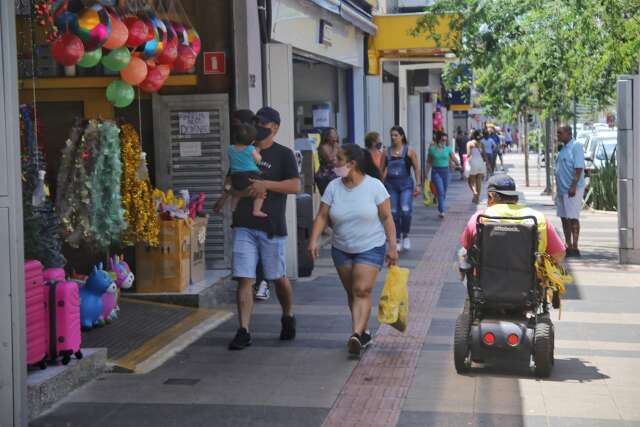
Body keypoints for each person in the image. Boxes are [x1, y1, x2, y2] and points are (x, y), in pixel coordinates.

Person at [308, 144, 398, 356]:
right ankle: (363, 332)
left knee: (362, 290)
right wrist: (313, 240)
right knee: (352, 292)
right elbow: (322, 216)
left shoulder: (374, 186)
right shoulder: (333, 187)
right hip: (341, 247)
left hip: (371, 246)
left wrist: (392, 246)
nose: (334, 163)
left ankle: (356, 334)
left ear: (352, 164)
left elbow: (387, 217)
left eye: (338, 159)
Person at [228, 106, 301, 350]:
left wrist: (265, 184)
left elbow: (295, 186)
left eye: (264, 124)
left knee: (277, 278)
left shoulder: (284, 154)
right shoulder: (243, 150)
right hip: (244, 225)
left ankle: (288, 315)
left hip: (271, 226)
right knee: (245, 278)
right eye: (256, 122)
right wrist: (236, 192)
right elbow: (231, 184)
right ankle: (244, 330)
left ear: (275, 128)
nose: (259, 127)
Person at [213, 109, 271, 301]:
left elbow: (231, 179)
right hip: (247, 209)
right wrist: (226, 194)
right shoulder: (250, 148)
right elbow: (230, 179)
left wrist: (228, 195)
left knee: (260, 248)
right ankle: (253, 283)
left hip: (252, 210)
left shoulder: (235, 148)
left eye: (237, 122)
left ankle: (262, 282)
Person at [460, 174, 566, 266]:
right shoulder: (538, 218)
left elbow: (466, 245)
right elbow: (558, 253)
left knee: (463, 253)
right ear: (516, 198)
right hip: (529, 285)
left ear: (491, 197)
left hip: (486, 283)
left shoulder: (480, 218)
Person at [384, 126, 421, 252]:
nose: (393, 138)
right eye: (392, 135)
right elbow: (380, 170)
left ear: (402, 136)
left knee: (405, 210)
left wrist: (418, 184)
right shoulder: (386, 152)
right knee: (393, 212)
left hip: (405, 184)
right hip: (391, 185)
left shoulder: (409, 151)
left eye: (396, 135)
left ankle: (406, 235)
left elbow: (416, 168)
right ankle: (397, 238)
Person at [555, 125, 585, 257]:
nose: (558, 135)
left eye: (560, 133)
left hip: (572, 188)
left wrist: (573, 185)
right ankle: (567, 244)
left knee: (572, 218)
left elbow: (578, 168)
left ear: (568, 133)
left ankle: (575, 246)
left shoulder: (576, 146)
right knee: (564, 218)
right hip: (562, 190)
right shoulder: (562, 148)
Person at [227, 123, 267, 217]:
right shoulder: (250, 149)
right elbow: (258, 159)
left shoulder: (230, 149)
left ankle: (233, 207)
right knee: (261, 190)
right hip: (250, 175)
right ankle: (256, 210)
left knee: (237, 192)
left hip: (235, 176)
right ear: (252, 141)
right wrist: (257, 152)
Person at [427, 133, 460, 218]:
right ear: (438, 140)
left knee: (444, 191)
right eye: (442, 140)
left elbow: (453, 157)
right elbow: (429, 162)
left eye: (445, 140)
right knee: (441, 191)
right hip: (436, 172)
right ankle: (441, 210)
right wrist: (426, 174)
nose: (444, 142)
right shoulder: (432, 149)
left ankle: (439, 202)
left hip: (446, 172)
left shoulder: (448, 149)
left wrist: (459, 164)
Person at [315, 127, 340, 195]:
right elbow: (329, 159)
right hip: (325, 177)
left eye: (336, 134)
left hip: (335, 175)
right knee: (327, 198)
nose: (335, 135)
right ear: (327, 136)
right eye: (333, 134)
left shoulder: (336, 146)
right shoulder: (323, 147)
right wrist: (335, 148)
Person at [466, 129, 487, 203]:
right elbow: (484, 155)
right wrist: (488, 165)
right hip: (480, 163)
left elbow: (468, 154)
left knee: (470, 181)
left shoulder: (470, 143)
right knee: (479, 181)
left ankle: (475, 192)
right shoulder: (482, 144)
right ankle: (477, 199)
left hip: (473, 162)